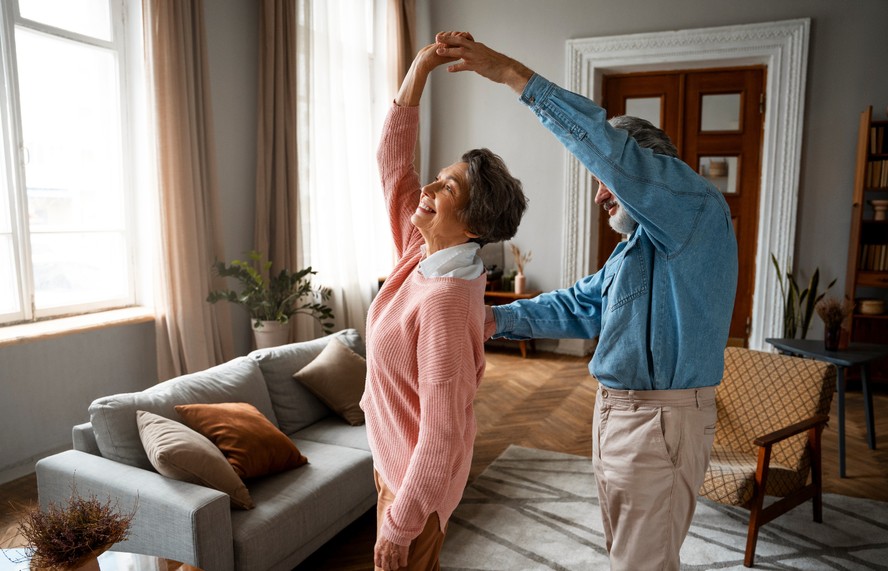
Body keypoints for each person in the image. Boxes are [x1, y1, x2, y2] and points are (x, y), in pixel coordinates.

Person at [434, 32, 738, 571]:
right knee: (628, 553)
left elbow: (610, 150)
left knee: (641, 563)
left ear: (645, 172)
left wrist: (509, 72)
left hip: (657, 421)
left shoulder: (695, 211)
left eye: (605, 179)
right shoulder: (636, 251)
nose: (599, 193)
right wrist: (490, 318)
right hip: (617, 414)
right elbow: (579, 306)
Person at [359, 36, 528, 571]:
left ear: (472, 226)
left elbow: (441, 435)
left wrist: (401, 525)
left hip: (417, 485)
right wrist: (421, 67)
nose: (428, 186)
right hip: (397, 465)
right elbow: (393, 165)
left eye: (447, 187)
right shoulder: (421, 251)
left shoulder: (445, 308)